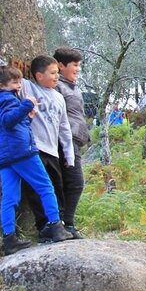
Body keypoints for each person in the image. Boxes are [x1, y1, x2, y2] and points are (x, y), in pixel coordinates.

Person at [0, 58, 71, 254]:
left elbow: (12, 125)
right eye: (14, 83)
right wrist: (26, 106)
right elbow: (7, 121)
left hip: (5, 157)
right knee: (45, 186)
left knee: (10, 197)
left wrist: (26, 119)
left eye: (20, 82)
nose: (19, 86)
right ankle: (56, 226)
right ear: (1, 85)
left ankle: (9, 238)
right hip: (21, 151)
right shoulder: (7, 99)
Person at [18, 54, 77, 237]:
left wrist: (69, 155)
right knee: (36, 190)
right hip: (35, 148)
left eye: (57, 73)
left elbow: (64, 128)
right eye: (52, 73)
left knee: (56, 187)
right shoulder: (29, 88)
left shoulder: (59, 97)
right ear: (38, 75)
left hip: (53, 151)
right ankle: (43, 226)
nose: (56, 76)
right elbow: (9, 75)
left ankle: (58, 224)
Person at [53, 47, 90, 239]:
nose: (78, 69)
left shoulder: (72, 86)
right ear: (60, 65)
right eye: (75, 65)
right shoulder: (57, 86)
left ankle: (66, 224)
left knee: (70, 183)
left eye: (79, 65)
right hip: (64, 140)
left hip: (75, 139)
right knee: (75, 182)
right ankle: (66, 224)